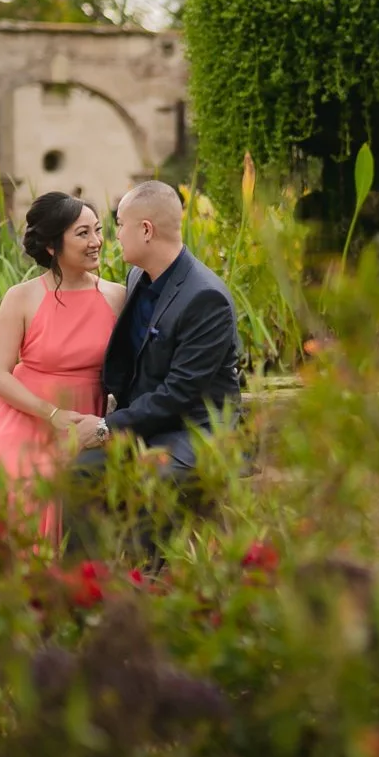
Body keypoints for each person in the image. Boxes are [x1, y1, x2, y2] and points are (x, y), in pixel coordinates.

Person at [66, 180, 242, 547]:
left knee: (152, 479)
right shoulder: (138, 277)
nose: (114, 235)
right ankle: (85, 578)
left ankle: (148, 577)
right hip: (148, 425)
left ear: (146, 230)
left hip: (194, 429)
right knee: (81, 472)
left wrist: (106, 427)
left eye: (119, 224)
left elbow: (179, 393)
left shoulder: (205, 298)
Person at [0, 192, 124, 545]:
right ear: (53, 246)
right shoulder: (21, 297)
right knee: (19, 475)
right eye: (83, 233)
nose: (96, 242)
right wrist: (52, 414)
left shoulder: (117, 296)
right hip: (23, 415)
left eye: (98, 230)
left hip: (84, 419)